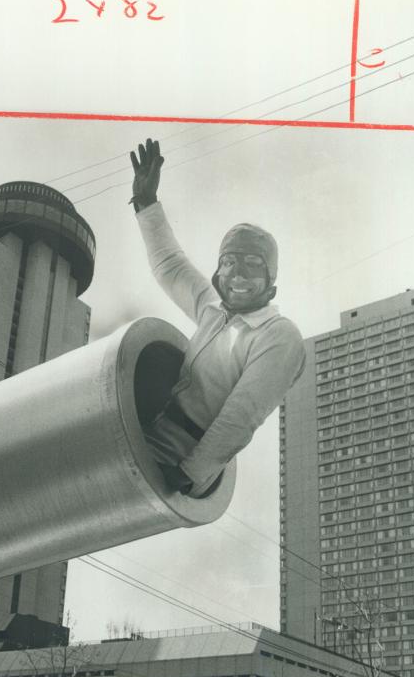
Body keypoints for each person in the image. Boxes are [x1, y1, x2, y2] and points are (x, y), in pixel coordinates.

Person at [129, 138, 306, 498]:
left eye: (252, 265)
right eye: (229, 263)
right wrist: (146, 204)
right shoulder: (214, 310)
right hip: (151, 428)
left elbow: (243, 414)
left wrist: (190, 472)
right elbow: (171, 266)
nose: (238, 276)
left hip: (183, 453)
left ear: (270, 278)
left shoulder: (279, 335)